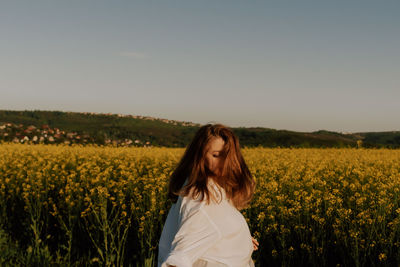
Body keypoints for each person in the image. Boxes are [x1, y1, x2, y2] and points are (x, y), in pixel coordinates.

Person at [157, 123, 259, 267]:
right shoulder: (202, 197)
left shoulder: (211, 187)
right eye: (216, 155)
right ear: (198, 156)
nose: (224, 162)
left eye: (227, 155)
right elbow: (180, 257)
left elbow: (213, 225)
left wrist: (238, 237)